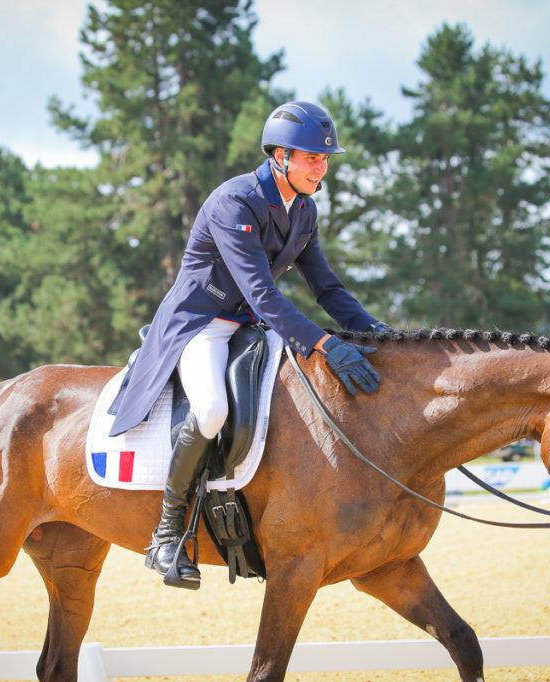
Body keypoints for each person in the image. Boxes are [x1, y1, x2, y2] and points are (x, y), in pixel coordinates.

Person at [106, 101, 388, 589]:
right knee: (212, 408)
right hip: (200, 325)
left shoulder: (304, 208)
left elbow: (327, 288)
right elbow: (261, 291)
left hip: (251, 326)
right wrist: (323, 342)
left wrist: (374, 332)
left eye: (325, 159)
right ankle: (167, 533)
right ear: (280, 155)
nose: (321, 168)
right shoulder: (234, 202)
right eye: (311, 158)